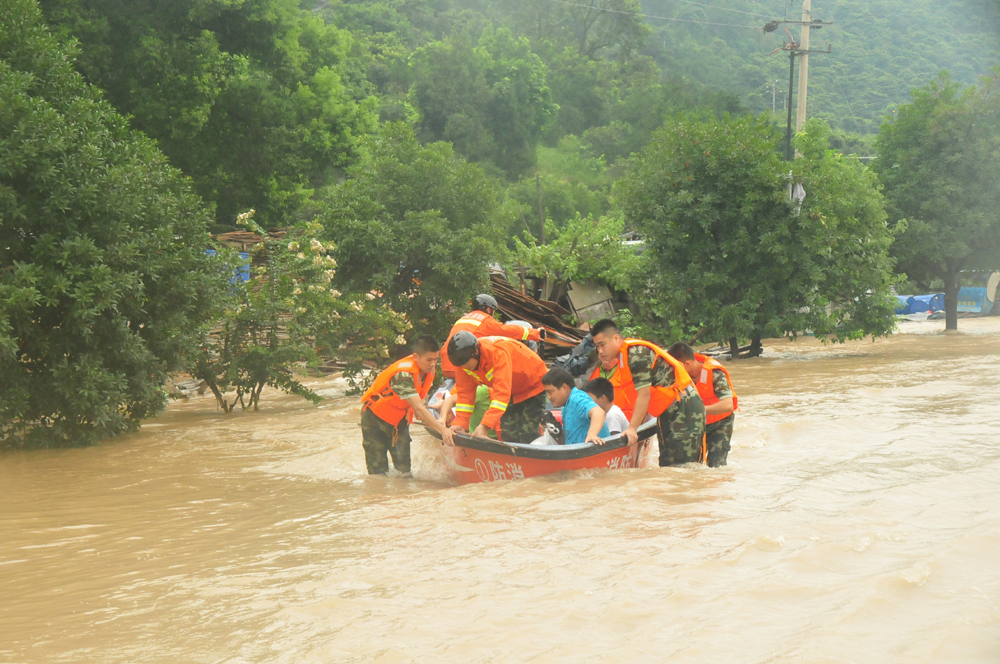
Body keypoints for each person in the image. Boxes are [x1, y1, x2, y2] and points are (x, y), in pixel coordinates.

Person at [589, 319, 706, 466]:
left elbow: (644, 395)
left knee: (683, 466)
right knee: (667, 466)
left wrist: (632, 429)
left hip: (683, 408)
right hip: (667, 411)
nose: (600, 351)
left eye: (602, 345)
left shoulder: (636, 354)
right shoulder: (624, 357)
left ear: (616, 339)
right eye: (597, 346)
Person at [360, 336, 454, 475]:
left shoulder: (429, 370)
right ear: (415, 357)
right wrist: (443, 430)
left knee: (404, 471)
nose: (433, 364)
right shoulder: (403, 375)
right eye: (429, 359)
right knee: (378, 472)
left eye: (435, 359)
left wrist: (428, 409)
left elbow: (422, 395)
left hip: (399, 419)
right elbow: (418, 408)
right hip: (375, 418)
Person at [447, 331, 547, 443]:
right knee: (508, 434)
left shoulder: (497, 353)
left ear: (476, 352)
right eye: (461, 365)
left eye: (465, 363)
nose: (464, 367)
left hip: (534, 386)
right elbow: (465, 395)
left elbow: (501, 394)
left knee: (527, 434)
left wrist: (484, 425)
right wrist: (460, 423)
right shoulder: (462, 363)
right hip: (512, 391)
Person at [439, 294, 544, 379]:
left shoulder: (463, 319)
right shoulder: (484, 320)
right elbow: (507, 331)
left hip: (448, 364)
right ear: (488, 309)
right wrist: (535, 334)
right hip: (466, 365)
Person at [667, 342, 737, 468]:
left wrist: (697, 410)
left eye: (675, 367)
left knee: (716, 465)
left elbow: (728, 405)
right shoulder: (678, 375)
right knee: (689, 465)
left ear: (686, 364)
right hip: (695, 423)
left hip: (720, 423)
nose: (673, 371)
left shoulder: (714, 372)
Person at [542, 367, 608, 445]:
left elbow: (599, 413)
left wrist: (592, 434)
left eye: (550, 392)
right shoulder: (566, 407)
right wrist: (554, 431)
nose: (548, 397)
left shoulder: (577, 398)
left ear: (564, 388)